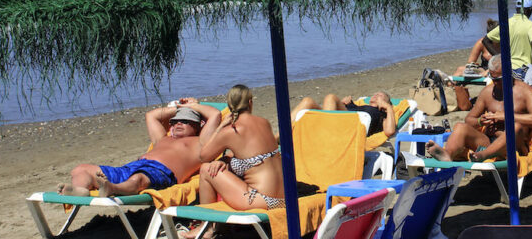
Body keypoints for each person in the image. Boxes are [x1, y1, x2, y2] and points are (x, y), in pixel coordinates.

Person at [59, 99, 222, 197]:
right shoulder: (162, 139)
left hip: (160, 173)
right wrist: (180, 108)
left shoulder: (201, 142)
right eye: (175, 121)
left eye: (185, 121)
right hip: (132, 167)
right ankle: (80, 191)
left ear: (199, 125)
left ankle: (111, 188)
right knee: (81, 169)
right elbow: (151, 115)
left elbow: (215, 115)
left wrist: (193, 106)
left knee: (138, 180)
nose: (178, 123)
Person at [425, 55, 532, 162]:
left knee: (515, 126)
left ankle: (483, 155)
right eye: (491, 78)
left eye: (497, 79)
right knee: (460, 127)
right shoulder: (488, 92)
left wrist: (506, 116)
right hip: (488, 141)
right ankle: (448, 155)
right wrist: (479, 121)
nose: (494, 82)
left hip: (515, 146)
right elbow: (469, 119)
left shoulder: (525, 91)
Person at [192, 85, 284, 217]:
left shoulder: (230, 131)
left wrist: (221, 127)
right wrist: (226, 159)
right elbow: (251, 153)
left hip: (260, 200)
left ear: (230, 106)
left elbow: (203, 156)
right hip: (284, 198)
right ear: (250, 102)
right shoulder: (265, 123)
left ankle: (207, 227)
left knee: (206, 169)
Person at [290, 91, 396, 137]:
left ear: (386, 102)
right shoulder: (360, 106)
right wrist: (345, 103)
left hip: (351, 129)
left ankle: (324, 133)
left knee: (331, 97)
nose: (376, 95)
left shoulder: (382, 113)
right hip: (338, 121)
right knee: (307, 101)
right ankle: (281, 136)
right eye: (375, 94)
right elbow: (333, 109)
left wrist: (388, 107)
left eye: (380, 95)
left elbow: (390, 131)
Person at [486, 0, 532, 79]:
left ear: (516, 8)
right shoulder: (530, 25)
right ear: (529, 10)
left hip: (507, 68)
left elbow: (486, 40)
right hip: (523, 69)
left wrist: (501, 58)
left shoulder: (507, 23)